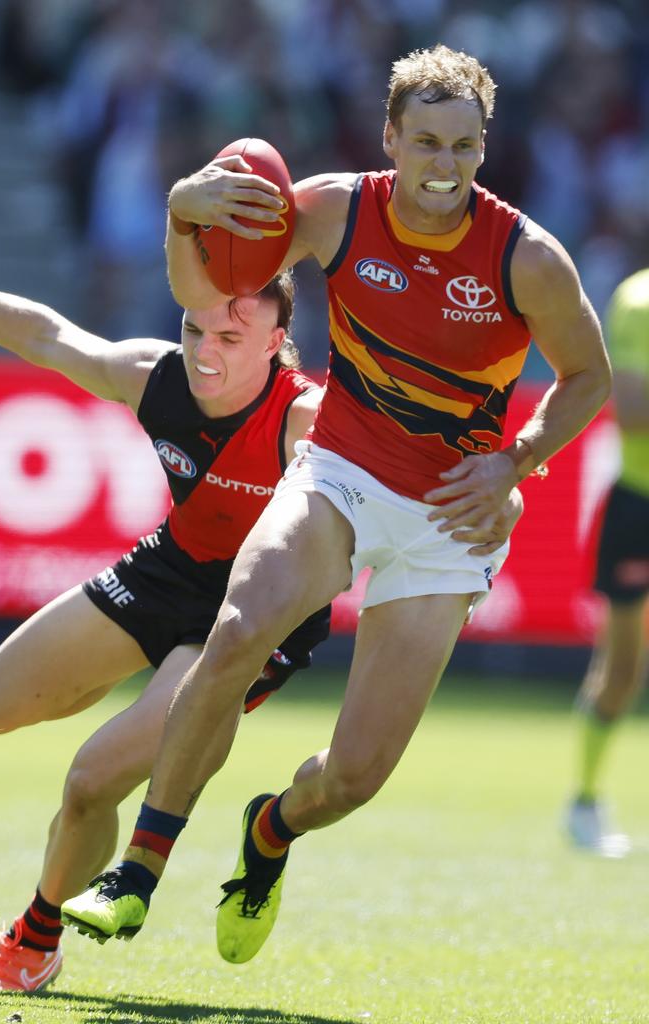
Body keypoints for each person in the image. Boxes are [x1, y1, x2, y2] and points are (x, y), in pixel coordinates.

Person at [60, 42, 613, 963]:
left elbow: (588, 378)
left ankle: (270, 831)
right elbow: (215, 294)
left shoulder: (528, 257)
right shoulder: (332, 208)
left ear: (485, 146)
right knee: (239, 630)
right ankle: (138, 873)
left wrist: (513, 462)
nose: (445, 167)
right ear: (390, 137)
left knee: (355, 777)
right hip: (342, 470)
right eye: (427, 143)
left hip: (449, 515)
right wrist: (181, 208)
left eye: (464, 148)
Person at [0, 259, 339, 991]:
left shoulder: (305, 421)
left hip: (253, 613)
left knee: (91, 780)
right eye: (194, 328)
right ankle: (148, 703)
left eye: (230, 333)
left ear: (276, 340)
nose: (205, 349)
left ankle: (32, 941)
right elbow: (47, 335)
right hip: (170, 570)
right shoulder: (155, 377)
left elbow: (361, 515)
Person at [565, 267, 649, 857]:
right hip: (640, 505)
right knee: (621, 671)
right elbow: (634, 407)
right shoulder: (639, 300)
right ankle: (585, 802)